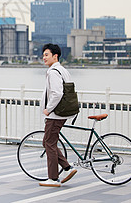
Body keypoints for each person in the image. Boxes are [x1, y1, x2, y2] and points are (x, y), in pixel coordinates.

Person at [39, 43, 77, 187]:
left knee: (49, 142)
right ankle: (67, 168)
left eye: (46, 55)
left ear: (55, 56)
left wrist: (48, 109)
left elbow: (57, 93)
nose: (44, 58)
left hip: (55, 114)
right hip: (62, 112)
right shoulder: (62, 70)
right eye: (43, 55)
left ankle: (53, 178)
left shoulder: (53, 72)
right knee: (49, 142)